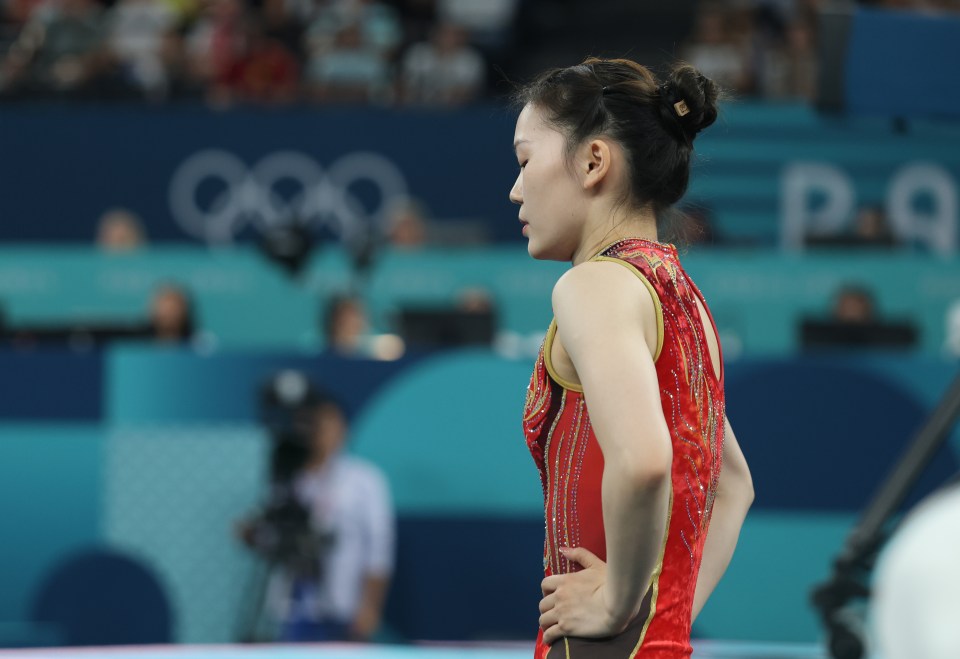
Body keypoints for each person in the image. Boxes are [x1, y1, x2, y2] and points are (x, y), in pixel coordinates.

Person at [511, 58, 754, 658]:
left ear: (594, 162)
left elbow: (645, 460)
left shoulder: (592, 287)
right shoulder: (682, 297)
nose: (515, 189)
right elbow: (734, 487)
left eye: (524, 161)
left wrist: (616, 604)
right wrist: (661, 617)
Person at [264, 395, 395, 642]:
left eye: (328, 423)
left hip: (343, 601)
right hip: (293, 602)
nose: (321, 431)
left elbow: (379, 549)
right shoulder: (288, 478)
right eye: (313, 424)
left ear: (343, 429)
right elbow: (275, 536)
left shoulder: (364, 480)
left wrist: (370, 607)